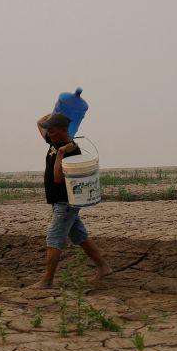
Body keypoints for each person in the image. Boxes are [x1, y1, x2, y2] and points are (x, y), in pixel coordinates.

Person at [28, 112, 112, 289]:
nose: (47, 132)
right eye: (48, 130)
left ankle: (47, 280)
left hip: (65, 203)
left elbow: (58, 178)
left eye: (51, 129)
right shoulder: (53, 140)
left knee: (54, 237)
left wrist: (60, 154)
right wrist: (57, 111)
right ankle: (103, 267)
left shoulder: (72, 150)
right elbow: (40, 123)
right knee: (79, 236)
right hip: (60, 202)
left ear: (62, 130)